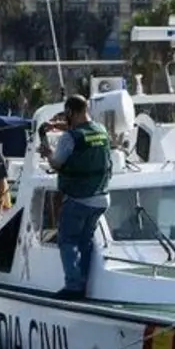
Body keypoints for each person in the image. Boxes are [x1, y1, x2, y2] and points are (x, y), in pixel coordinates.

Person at [39, 94, 112, 300]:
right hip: (101, 198)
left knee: (67, 240)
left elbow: (57, 164)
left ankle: (73, 287)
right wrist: (56, 126)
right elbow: (81, 132)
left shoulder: (70, 138)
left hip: (79, 198)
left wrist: (47, 152)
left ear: (70, 112)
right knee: (85, 242)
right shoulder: (101, 130)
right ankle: (86, 284)